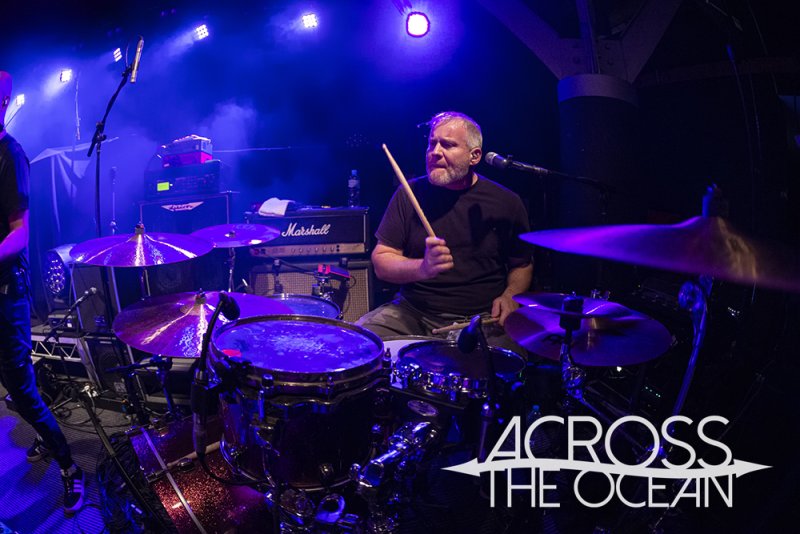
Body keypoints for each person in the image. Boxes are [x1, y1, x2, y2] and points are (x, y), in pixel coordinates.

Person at [357, 111, 533, 352]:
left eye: (448, 145)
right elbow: (382, 261)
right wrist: (422, 268)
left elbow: (522, 264)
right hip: (412, 312)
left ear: (474, 156)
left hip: (480, 318)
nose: (435, 152)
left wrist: (511, 295)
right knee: (358, 345)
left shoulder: (506, 202)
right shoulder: (409, 194)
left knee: (505, 362)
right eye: (432, 143)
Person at [0, 71, 85, 514]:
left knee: (20, 390)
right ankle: (42, 435)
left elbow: (19, 234)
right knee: (15, 385)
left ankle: (71, 467)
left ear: (3, 103)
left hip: (7, 292)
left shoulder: (10, 155)